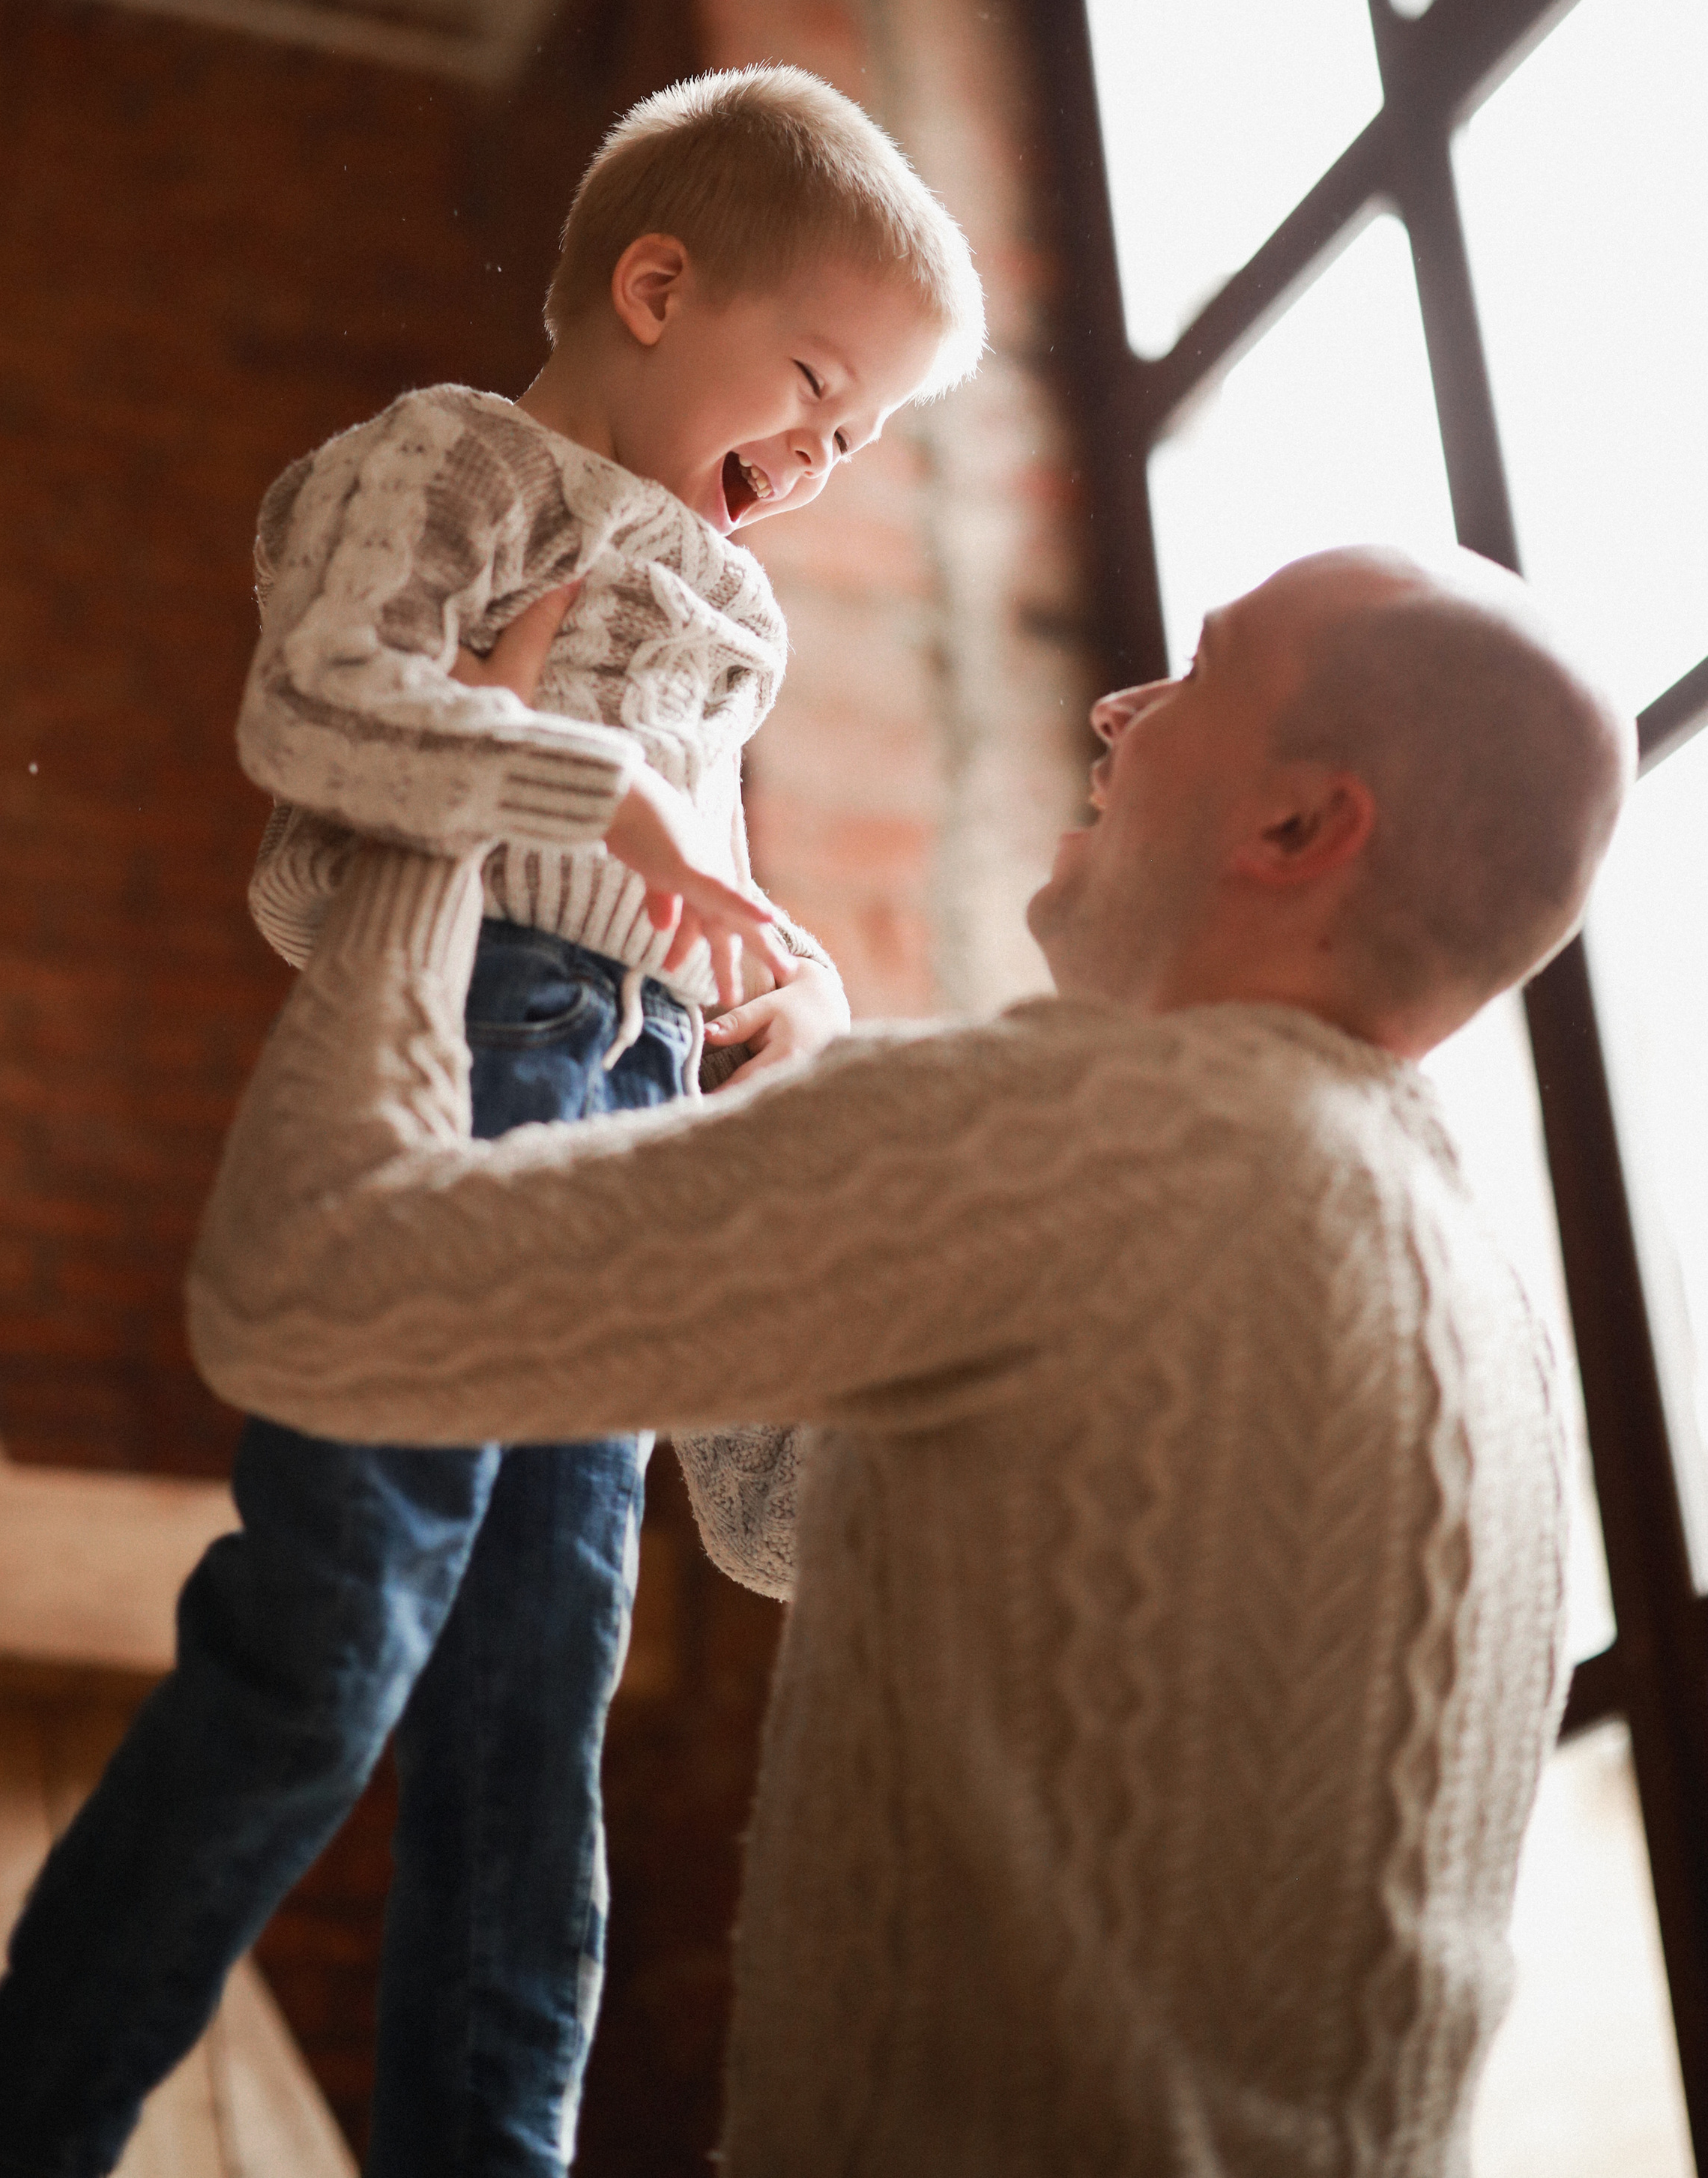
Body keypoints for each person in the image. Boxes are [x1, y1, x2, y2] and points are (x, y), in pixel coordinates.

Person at [184, 543, 1635, 2178]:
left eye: (1198, 675)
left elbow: (296, 1284)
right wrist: (802, 1121)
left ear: (1293, 827)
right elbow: (799, 1519)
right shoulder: (1478, 1317)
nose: (1114, 707)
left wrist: (438, 812)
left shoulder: (1104, 1131)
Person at [0, 65, 985, 2178]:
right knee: (332, 1632)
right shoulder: (453, 461)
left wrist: (792, 994)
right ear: (657, 288)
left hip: (639, 1119)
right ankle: (15, 2124)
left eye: (868, 442)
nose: (830, 459)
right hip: (466, 1061)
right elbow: (311, 707)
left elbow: (712, 901)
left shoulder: (726, 613)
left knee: (535, 1730)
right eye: (819, 387)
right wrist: (595, 787)